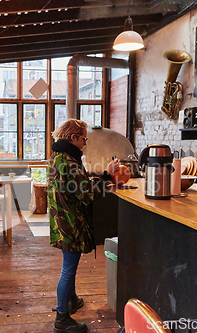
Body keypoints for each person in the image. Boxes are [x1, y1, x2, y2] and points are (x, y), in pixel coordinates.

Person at [47, 119, 119, 333]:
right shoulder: (68, 161)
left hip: (61, 219)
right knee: (68, 269)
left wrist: (101, 177)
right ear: (73, 138)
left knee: (69, 264)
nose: (85, 143)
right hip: (71, 222)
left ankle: (72, 300)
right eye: (84, 139)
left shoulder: (57, 156)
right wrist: (107, 175)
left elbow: (77, 184)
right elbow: (85, 192)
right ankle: (62, 318)